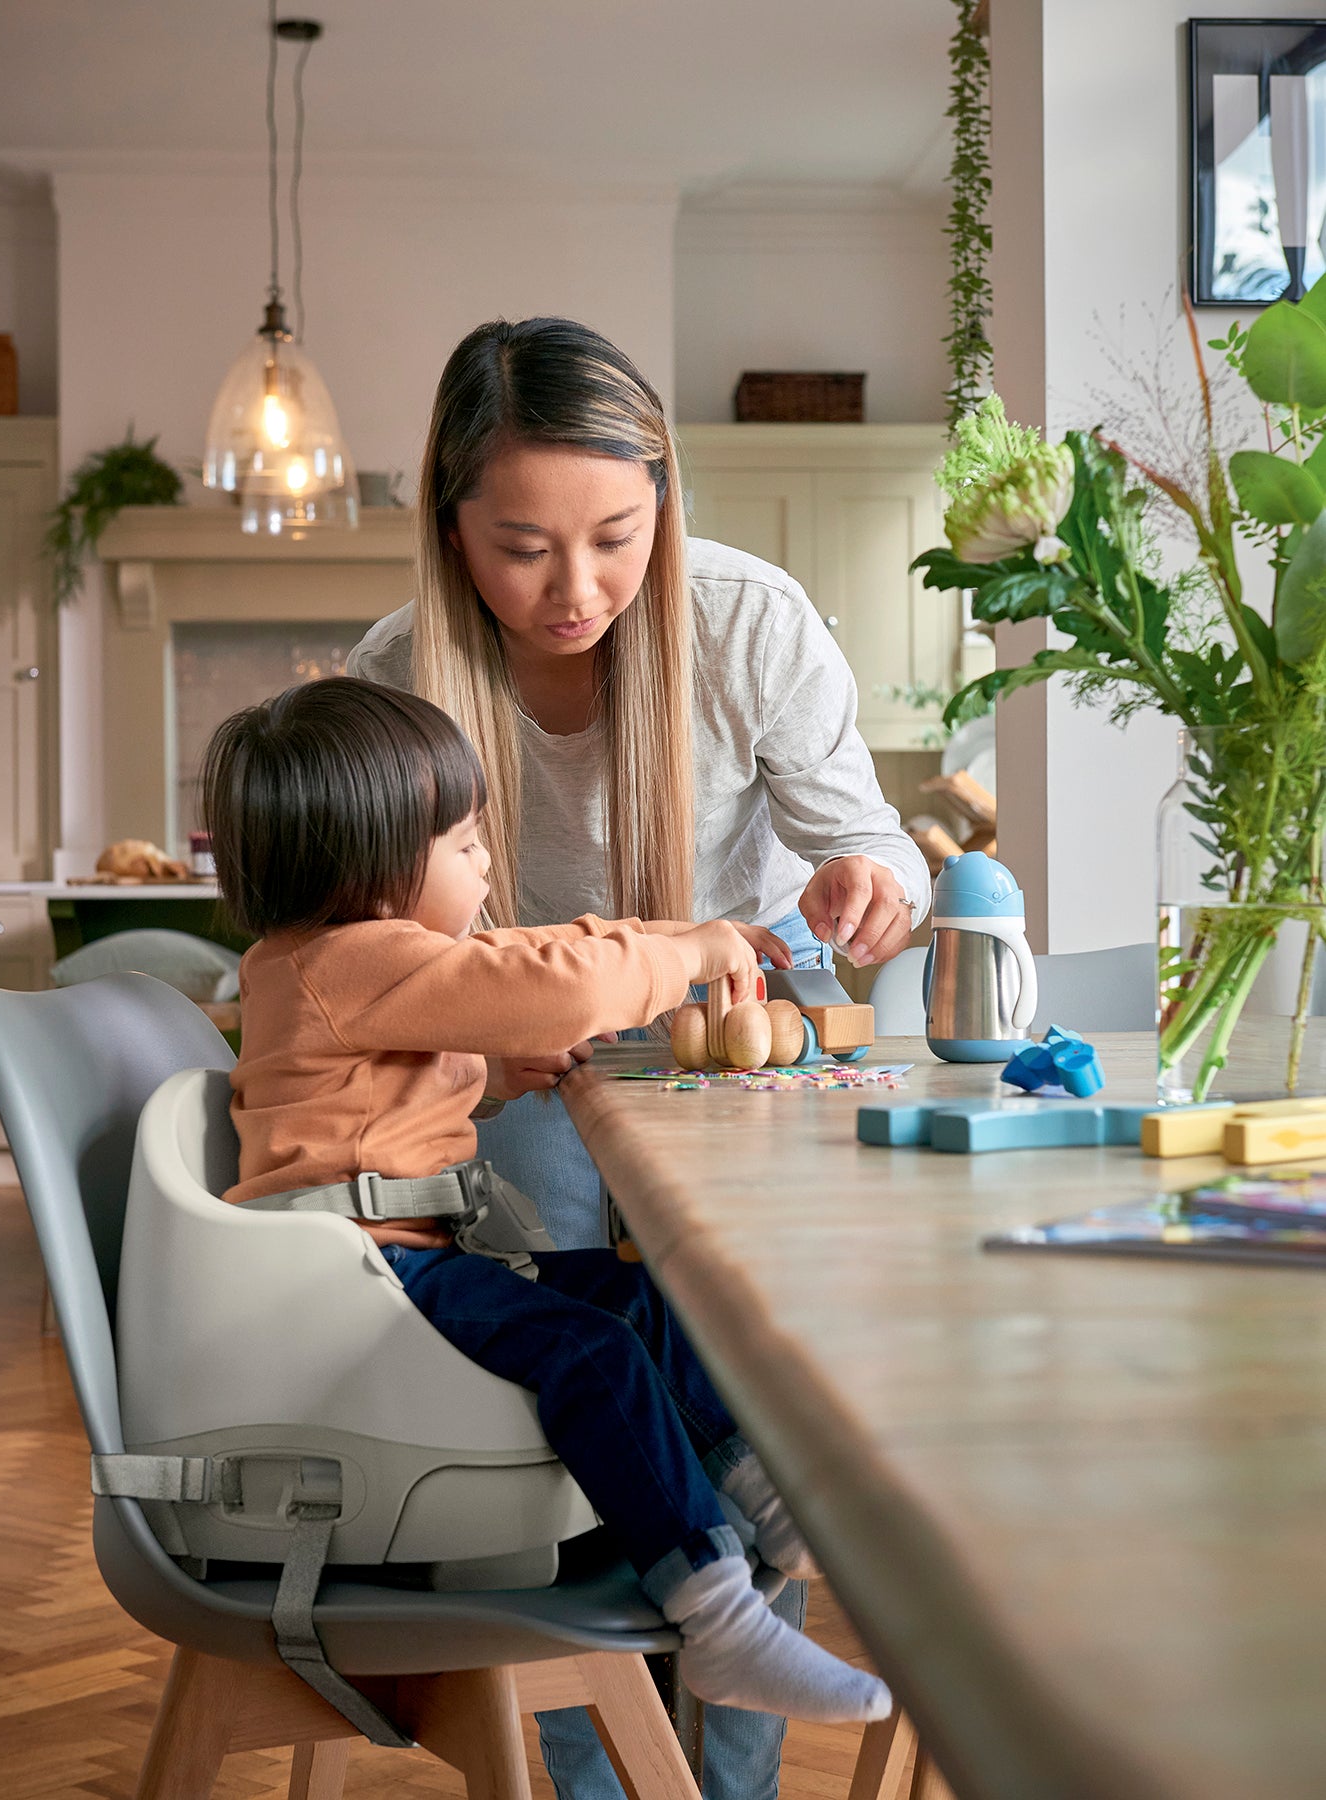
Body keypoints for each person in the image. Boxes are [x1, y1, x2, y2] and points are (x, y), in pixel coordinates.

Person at [347, 316, 925, 1799]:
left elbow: (862, 838)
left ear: (666, 500)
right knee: (567, 1407)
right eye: (522, 545)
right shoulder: (398, 670)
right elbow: (368, 960)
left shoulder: (748, 621)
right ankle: (596, 1774)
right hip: (512, 1072)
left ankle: (723, 1780)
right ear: (451, 527)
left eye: (615, 534)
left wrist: (874, 880)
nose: (577, 589)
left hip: (710, 1055)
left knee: (736, 1367)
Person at [200, 676, 890, 1730]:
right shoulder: (357, 956)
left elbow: (367, 1102)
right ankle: (719, 1617)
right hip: (361, 1282)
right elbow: (555, 979)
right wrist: (699, 948)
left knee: (638, 1296)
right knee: (592, 1349)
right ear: (370, 866)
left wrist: (496, 1074)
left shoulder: (321, 966)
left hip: (381, 1265)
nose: (484, 863)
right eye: (465, 842)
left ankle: (760, 1498)